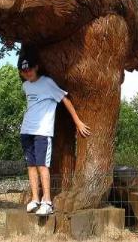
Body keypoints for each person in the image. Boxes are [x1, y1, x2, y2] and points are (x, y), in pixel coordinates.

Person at [18, 54, 91, 215]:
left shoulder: (48, 83)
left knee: (42, 165)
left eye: (29, 70)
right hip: (26, 130)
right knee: (31, 166)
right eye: (24, 71)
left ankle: (47, 201)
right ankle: (35, 199)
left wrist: (77, 122)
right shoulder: (26, 86)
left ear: (36, 68)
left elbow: (65, 100)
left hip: (42, 132)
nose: (27, 73)